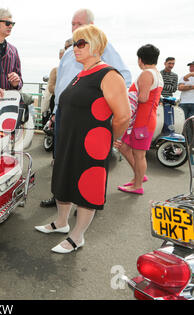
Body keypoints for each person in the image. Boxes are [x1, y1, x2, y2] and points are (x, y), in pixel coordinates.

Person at [34, 25, 130, 253]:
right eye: (74, 43)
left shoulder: (109, 74)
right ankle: (61, 222)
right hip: (69, 141)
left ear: (97, 46)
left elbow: (123, 115)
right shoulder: (81, 73)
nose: (75, 48)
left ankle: (77, 237)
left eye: (81, 43)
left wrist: (108, 139)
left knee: (87, 188)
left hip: (92, 144)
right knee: (64, 180)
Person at [40, 8, 132, 208]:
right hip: (64, 114)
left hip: (86, 116)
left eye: (79, 24)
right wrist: (56, 111)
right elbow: (63, 83)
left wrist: (99, 100)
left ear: (91, 26)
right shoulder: (70, 52)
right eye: (72, 24)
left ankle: (86, 203)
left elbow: (124, 76)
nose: (74, 27)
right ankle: (60, 197)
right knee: (62, 160)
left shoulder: (103, 48)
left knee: (85, 164)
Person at [116, 44, 163, 195]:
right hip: (145, 120)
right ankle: (139, 176)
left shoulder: (146, 74)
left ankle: (137, 186)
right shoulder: (157, 73)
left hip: (142, 121)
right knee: (123, 146)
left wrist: (126, 96)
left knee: (139, 154)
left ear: (140, 59)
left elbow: (143, 98)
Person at [160, 57, 178, 133]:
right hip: (159, 99)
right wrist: (167, 86)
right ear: (165, 63)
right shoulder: (159, 74)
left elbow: (174, 89)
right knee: (160, 119)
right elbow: (158, 87)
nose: (171, 65)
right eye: (169, 63)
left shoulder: (175, 75)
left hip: (170, 100)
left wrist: (164, 85)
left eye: (173, 63)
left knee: (169, 119)